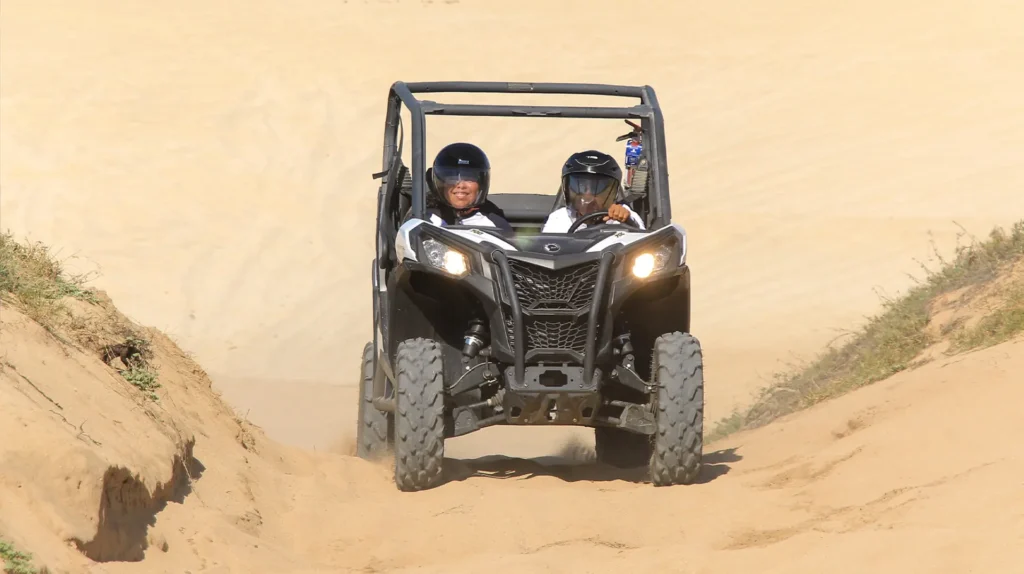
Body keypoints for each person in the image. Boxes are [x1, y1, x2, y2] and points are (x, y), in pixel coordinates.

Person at [541, 150, 645, 233]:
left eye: (598, 188)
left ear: (612, 192)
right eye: (580, 188)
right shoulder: (559, 218)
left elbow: (644, 247)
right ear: (568, 190)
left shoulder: (625, 215)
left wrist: (628, 223)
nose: (588, 197)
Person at [425, 142, 512, 232]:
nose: (461, 185)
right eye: (452, 178)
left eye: (469, 178)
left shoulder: (495, 225)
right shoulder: (426, 218)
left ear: (481, 184)